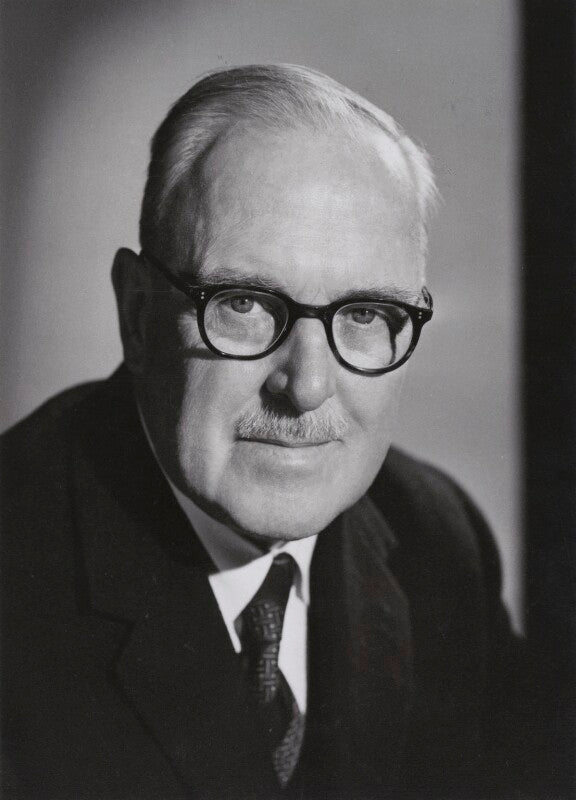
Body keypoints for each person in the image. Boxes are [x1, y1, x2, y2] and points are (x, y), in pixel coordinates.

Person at [0, 64, 537, 800]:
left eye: (366, 314)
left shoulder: (438, 543)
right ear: (139, 315)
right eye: (245, 304)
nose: (306, 386)